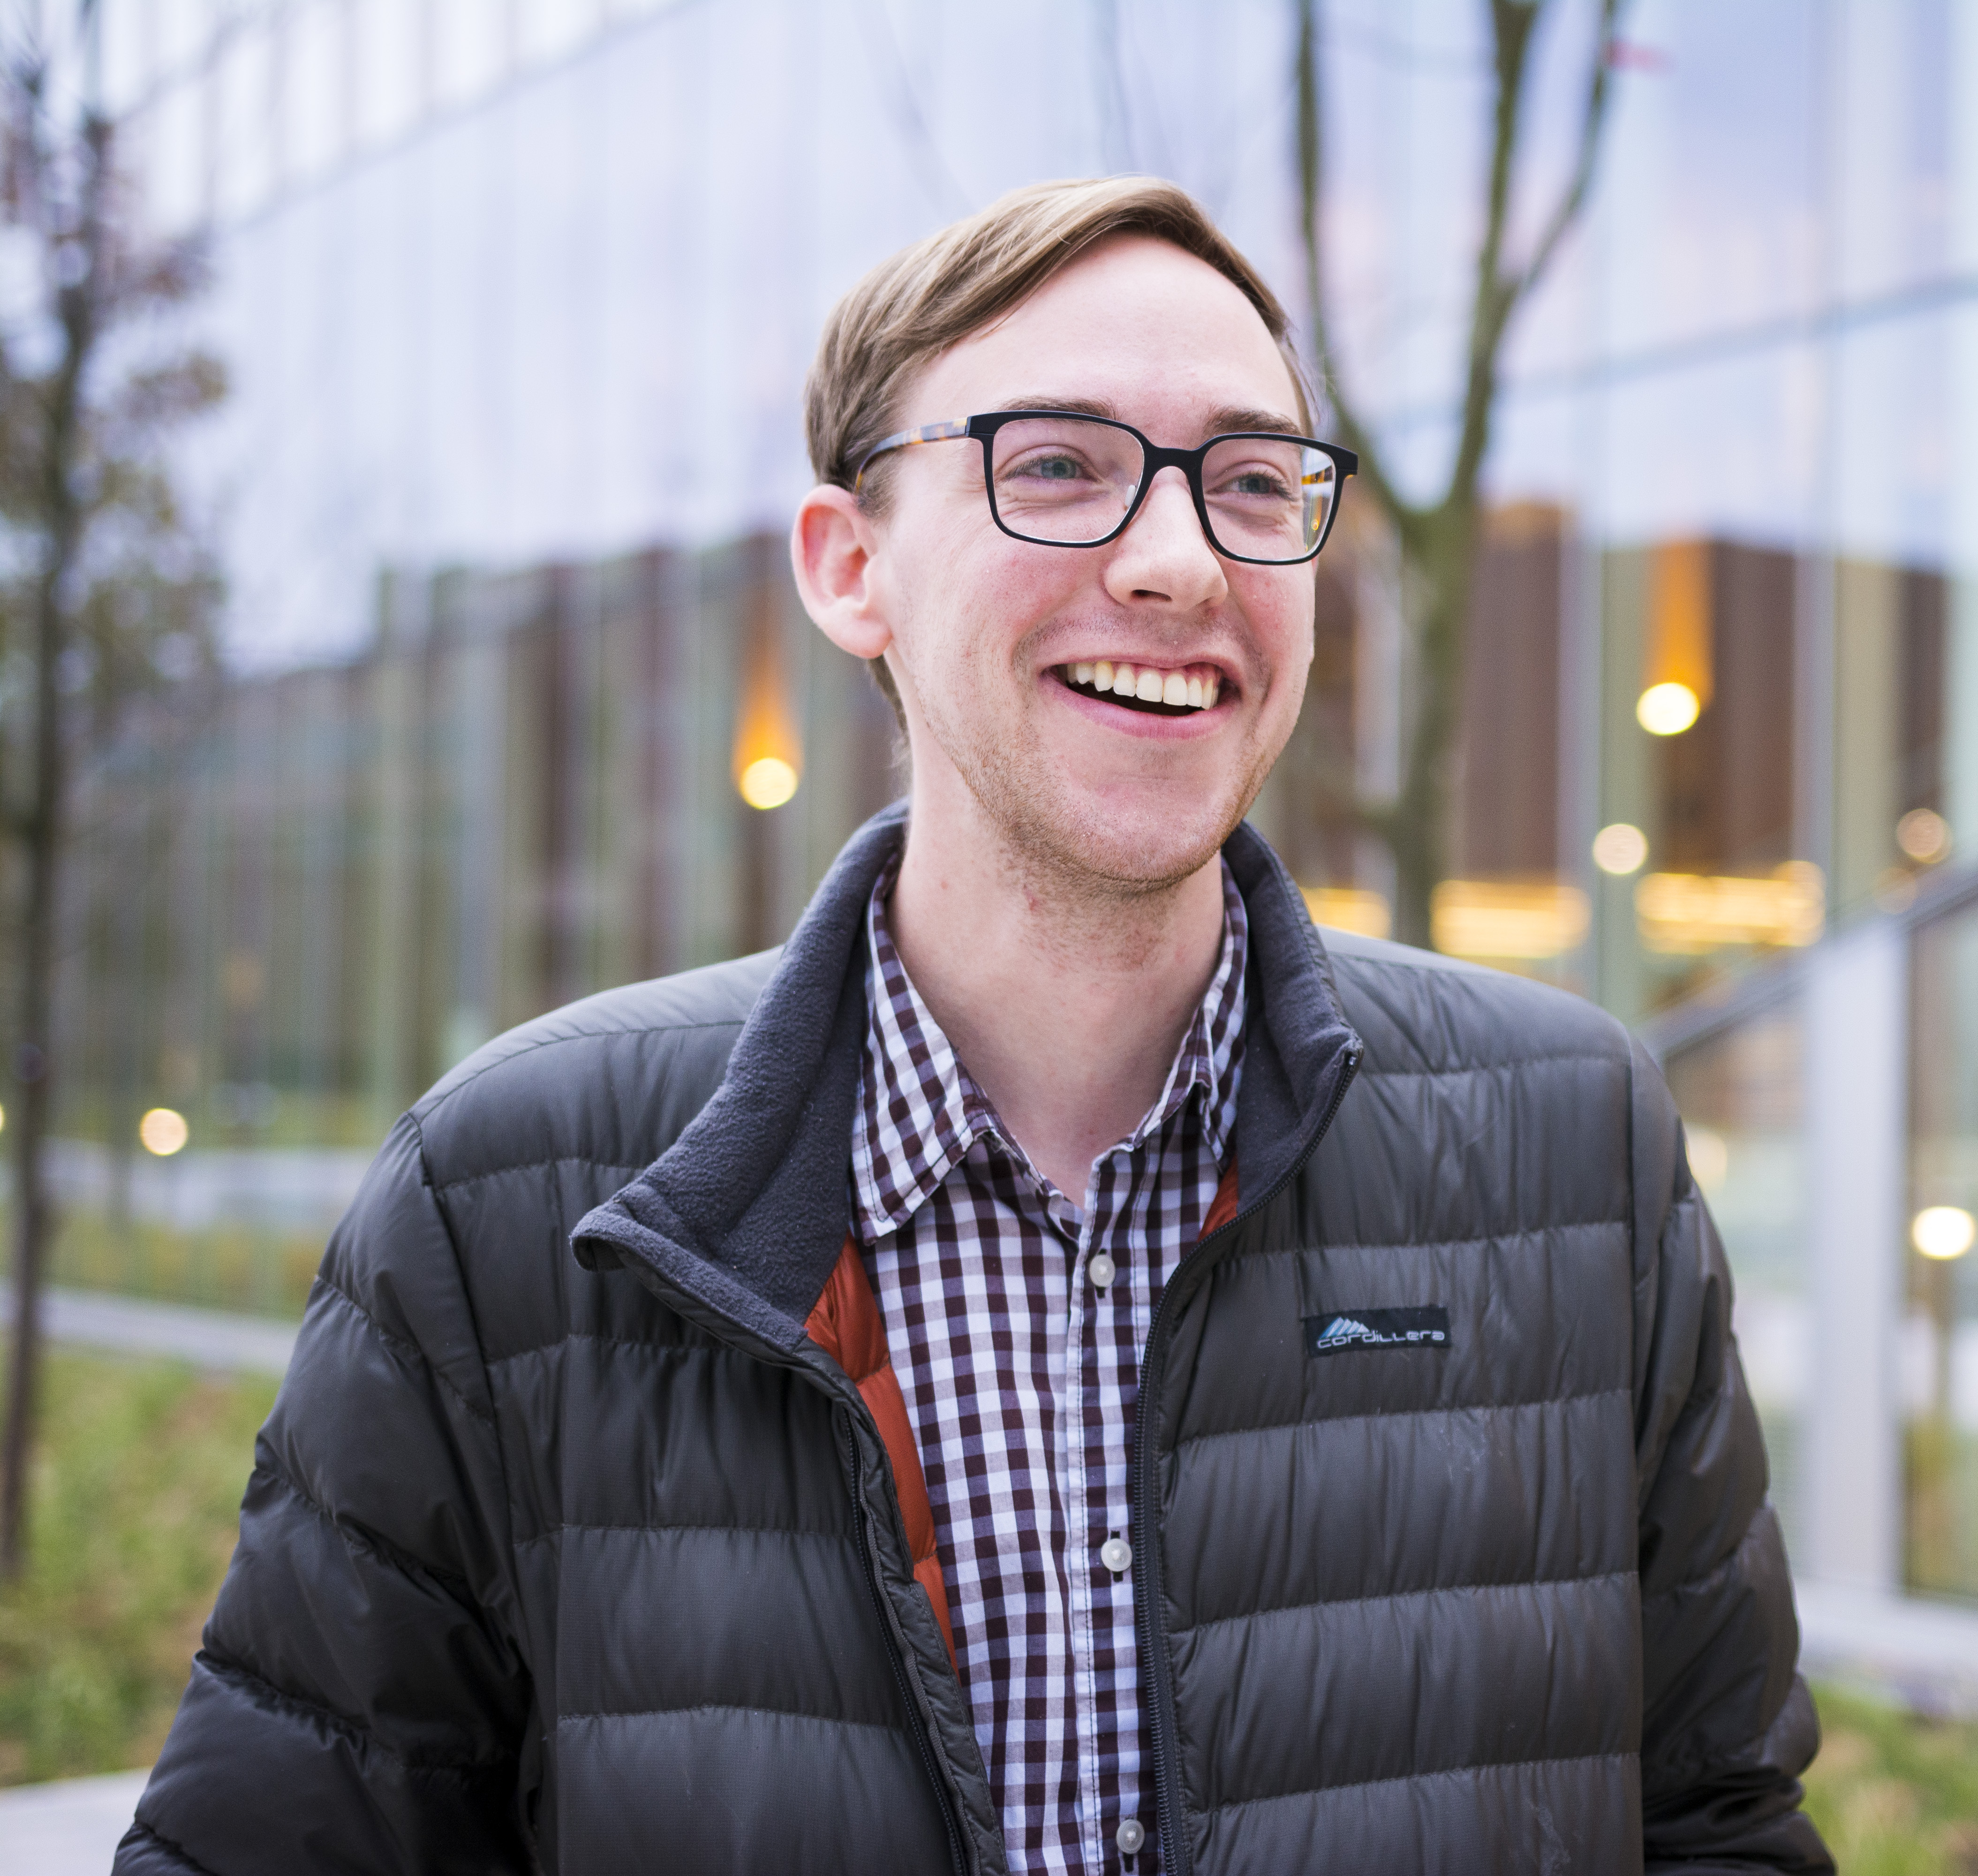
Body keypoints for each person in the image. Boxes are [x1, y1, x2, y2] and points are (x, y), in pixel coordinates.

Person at [118, 177, 1828, 1876]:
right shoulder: (503, 1197)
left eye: (1251, 482)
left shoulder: (1572, 1142)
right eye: (1060, 464)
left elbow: (1718, 1829)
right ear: (850, 568)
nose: (1179, 561)